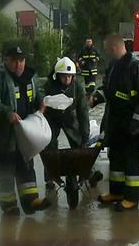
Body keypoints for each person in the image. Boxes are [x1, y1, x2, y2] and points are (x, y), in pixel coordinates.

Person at [89, 33, 139, 212]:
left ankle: (132, 198)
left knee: (133, 160)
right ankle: (117, 193)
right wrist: (97, 97)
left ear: (114, 48)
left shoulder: (136, 66)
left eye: (107, 50)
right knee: (116, 159)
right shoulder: (114, 66)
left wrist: (138, 125)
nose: (106, 53)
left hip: (133, 125)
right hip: (116, 123)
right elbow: (109, 89)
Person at [0, 46, 51, 216]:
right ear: (6, 60)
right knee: (6, 169)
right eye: (14, 61)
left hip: (25, 133)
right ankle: (9, 205)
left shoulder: (31, 77)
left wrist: (42, 101)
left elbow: (39, 93)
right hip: (4, 137)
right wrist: (7, 113)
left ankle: (31, 201)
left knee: (26, 165)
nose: (19, 64)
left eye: (21, 60)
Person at [42, 57, 90, 190]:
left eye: (70, 76)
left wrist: (85, 136)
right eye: (64, 76)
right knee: (49, 145)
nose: (67, 79)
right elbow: (41, 104)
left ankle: (84, 173)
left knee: (79, 143)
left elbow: (83, 113)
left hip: (70, 117)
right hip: (52, 118)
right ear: (57, 76)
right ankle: (50, 177)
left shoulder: (78, 88)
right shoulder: (49, 86)